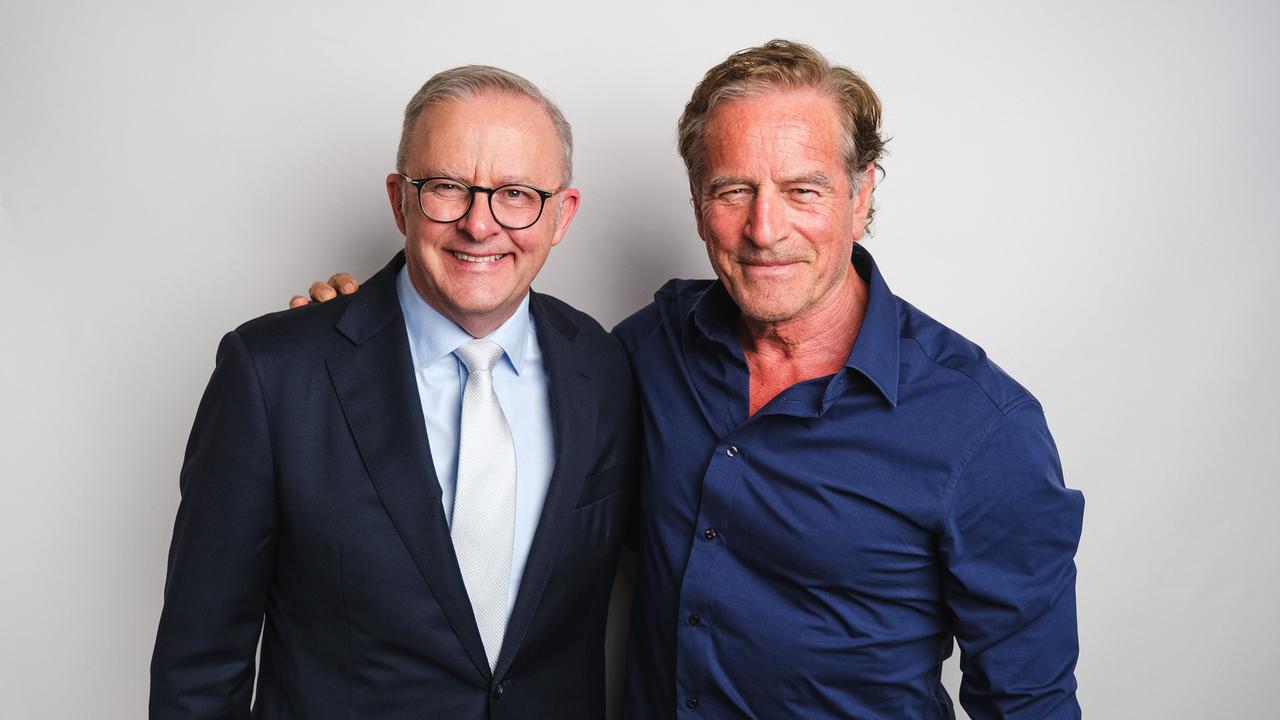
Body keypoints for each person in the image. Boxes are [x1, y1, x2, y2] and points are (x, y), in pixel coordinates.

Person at [304, 40, 1085, 719]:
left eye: (802, 190)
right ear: (697, 202)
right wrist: (365, 330)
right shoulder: (641, 355)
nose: (764, 228)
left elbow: (1029, 705)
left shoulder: (983, 428)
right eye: (732, 190)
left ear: (862, 192)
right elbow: (487, 374)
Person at [151, 66, 639, 720]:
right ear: (399, 199)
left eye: (516, 194)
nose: (479, 225)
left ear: (561, 215)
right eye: (446, 188)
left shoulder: (606, 366)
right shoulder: (273, 374)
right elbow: (201, 662)